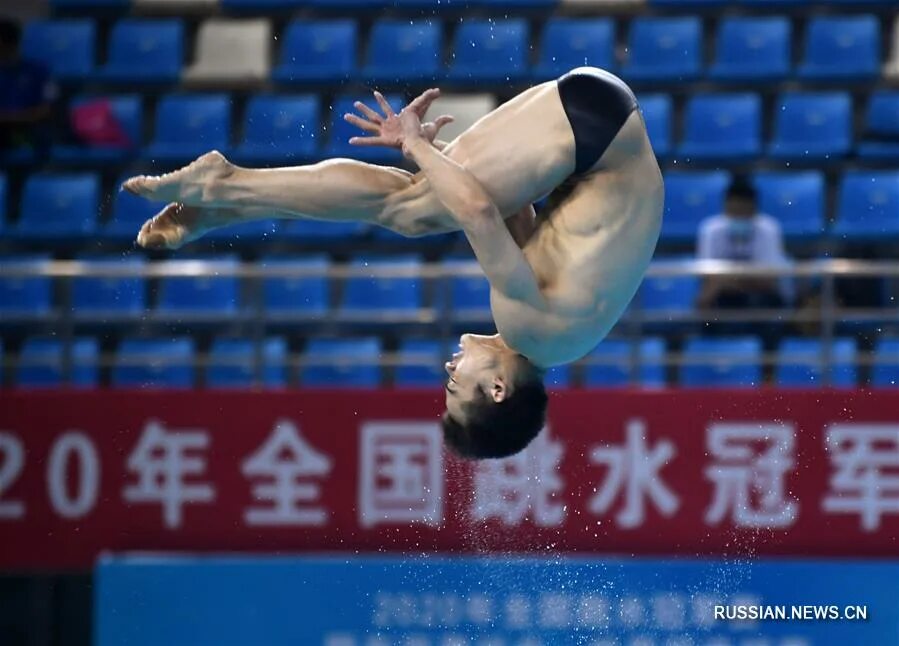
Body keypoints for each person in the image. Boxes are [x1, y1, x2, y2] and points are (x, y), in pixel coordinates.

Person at [123, 67, 664, 459]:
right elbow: (476, 211)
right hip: (594, 133)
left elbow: (511, 205)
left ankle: (224, 205)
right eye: (456, 385)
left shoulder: (559, 338)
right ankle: (223, 189)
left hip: (598, 119)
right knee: (411, 210)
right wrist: (416, 145)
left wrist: (439, 157)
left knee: (419, 202)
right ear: (498, 390)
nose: (449, 370)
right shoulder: (530, 329)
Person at [696, 178, 791, 345]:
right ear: (725, 207)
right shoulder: (710, 230)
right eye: (734, 210)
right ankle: (718, 359)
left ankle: (768, 366)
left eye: (743, 211)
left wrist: (727, 280)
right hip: (724, 298)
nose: (738, 215)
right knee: (705, 302)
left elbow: (769, 282)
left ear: (753, 209)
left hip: (760, 298)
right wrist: (745, 278)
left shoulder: (769, 229)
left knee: (773, 310)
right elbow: (709, 280)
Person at [0, 18, 55, 160]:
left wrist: (13, 118)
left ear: (8, 44)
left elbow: (45, 110)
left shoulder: (38, 71)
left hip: (30, 130)